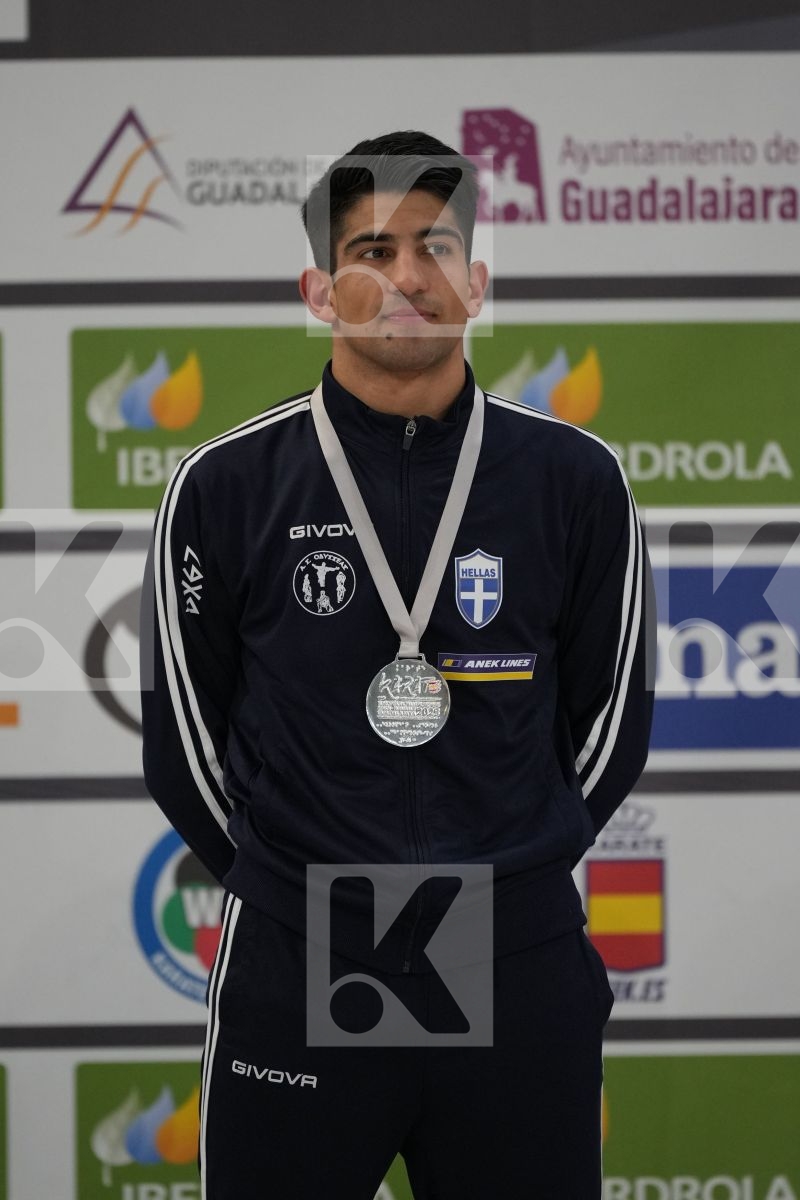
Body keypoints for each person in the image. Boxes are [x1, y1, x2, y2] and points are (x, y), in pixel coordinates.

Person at [140, 130, 653, 1199]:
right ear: (320, 290)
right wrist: (296, 889)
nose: (407, 277)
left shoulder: (575, 479)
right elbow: (184, 739)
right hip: (300, 949)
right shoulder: (224, 485)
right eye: (372, 249)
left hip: (515, 954)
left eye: (436, 245)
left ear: (477, 279)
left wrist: (512, 865)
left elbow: (611, 722)